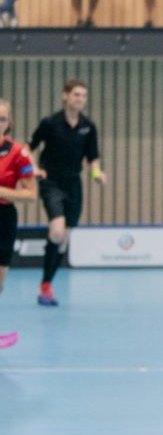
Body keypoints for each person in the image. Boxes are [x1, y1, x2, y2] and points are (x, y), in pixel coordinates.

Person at [27, 79, 107, 307]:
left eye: (83, 95)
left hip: (74, 184)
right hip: (50, 182)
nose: (80, 99)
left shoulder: (88, 127)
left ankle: (46, 286)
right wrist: (32, 168)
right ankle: (45, 285)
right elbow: (28, 147)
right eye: (76, 95)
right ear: (65, 96)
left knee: (62, 239)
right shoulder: (50, 123)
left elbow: (92, 158)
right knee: (57, 230)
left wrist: (97, 174)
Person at [0, 98, 37, 347]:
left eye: (2, 119)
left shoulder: (19, 153)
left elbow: (31, 194)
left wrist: (3, 191)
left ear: (9, 123)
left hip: (4, 218)